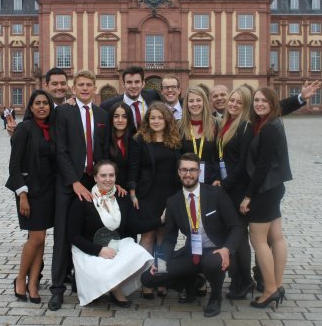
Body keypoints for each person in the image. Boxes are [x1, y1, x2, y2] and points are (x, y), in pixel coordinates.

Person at [141, 153, 242, 318]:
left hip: (217, 252)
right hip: (192, 253)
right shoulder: (173, 202)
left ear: (199, 172)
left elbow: (236, 226)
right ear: (179, 172)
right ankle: (192, 283)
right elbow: (169, 238)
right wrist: (160, 261)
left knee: (210, 262)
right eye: (184, 170)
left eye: (193, 170)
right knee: (148, 278)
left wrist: (227, 249)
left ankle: (215, 297)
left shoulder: (216, 193)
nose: (188, 174)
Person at [50, 69, 111, 311]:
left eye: (89, 85)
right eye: (81, 85)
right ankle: (57, 288)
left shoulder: (102, 114)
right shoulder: (64, 112)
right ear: (74, 88)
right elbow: (60, 150)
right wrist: (73, 181)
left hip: (91, 184)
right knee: (63, 235)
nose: (85, 88)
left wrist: (102, 183)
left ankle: (84, 281)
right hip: (68, 184)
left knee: (90, 233)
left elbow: (103, 152)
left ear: (94, 88)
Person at [67, 160, 161, 307]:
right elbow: (73, 236)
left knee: (139, 254)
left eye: (111, 175)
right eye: (103, 175)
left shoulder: (122, 197)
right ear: (95, 177)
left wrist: (161, 220)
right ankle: (112, 289)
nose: (108, 179)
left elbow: (135, 226)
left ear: (116, 177)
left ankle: (113, 287)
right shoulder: (83, 200)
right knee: (101, 269)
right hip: (89, 250)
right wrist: (98, 251)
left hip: (114, 246)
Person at [240, 87, 292, 310]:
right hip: (274, 187)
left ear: (273, 103)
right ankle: (277, 284)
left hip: (264, 189)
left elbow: (262, 166)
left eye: (263, 101)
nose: (258, 104)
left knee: (258, 239)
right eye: (256, 100)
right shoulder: (272, 122)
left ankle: (270, 289)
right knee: (276, 236)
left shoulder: (270, 127)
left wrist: (248, 196)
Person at [5, 89, 57, 304]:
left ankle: (33, 283)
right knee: (35, 238)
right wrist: (22, 195)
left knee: (41, 239)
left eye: (46, 103)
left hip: (48, 190)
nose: (42, 106)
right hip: (29, 191)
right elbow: (14, 166)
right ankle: (20, 279)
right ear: (31, 106)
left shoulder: (53, 129)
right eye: (38, 103)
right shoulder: (24, 129)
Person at [127, 102, 181, 298]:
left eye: (160, 118)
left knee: (163, 239)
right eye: (153, 118)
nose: (156, 121)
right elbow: (132, 168)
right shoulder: (139, 139)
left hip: (170, 195)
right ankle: (146, 280)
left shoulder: (174, 140)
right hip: (147, 195)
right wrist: (132, 193)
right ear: (147, 121)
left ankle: (161, 277)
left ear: (166, 120)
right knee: (148, 238)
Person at [217, 87, 256, 299]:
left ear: (245, 106)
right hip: (229, 188)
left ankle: (244, 281)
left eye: (239, 102)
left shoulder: (245, 127)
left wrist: (226, 183)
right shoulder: (227, 123)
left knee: (240, 237)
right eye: (232, 100)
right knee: (233, 235)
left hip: (237, 189)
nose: (233, 104)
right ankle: (237, 279)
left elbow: (242, 164)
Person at [6, 67, 70, 136]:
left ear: (67, 85)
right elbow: (25, 140)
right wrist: (15, 134)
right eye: (55, 84)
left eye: (63, 83)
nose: (59, 87)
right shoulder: (37, 111)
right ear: (47, 86)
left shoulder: (75, 108)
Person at [179, 86, 221, 186]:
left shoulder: (217, 124)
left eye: (198, 100)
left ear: (204, 102)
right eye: (191, 101)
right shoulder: (179, 127)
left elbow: (219, 156)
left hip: (211, 182)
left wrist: (218, 177)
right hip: (186, 181)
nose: (195, 104)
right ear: (186, 104)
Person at [106, 102, 137, 191]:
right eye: (116, 116)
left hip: (131, 189)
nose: (120, 120)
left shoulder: (135, 139)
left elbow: (134, 167)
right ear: (111, 118)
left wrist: (132, 191)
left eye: (124, 116)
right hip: (107, 187)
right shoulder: (104, 138)